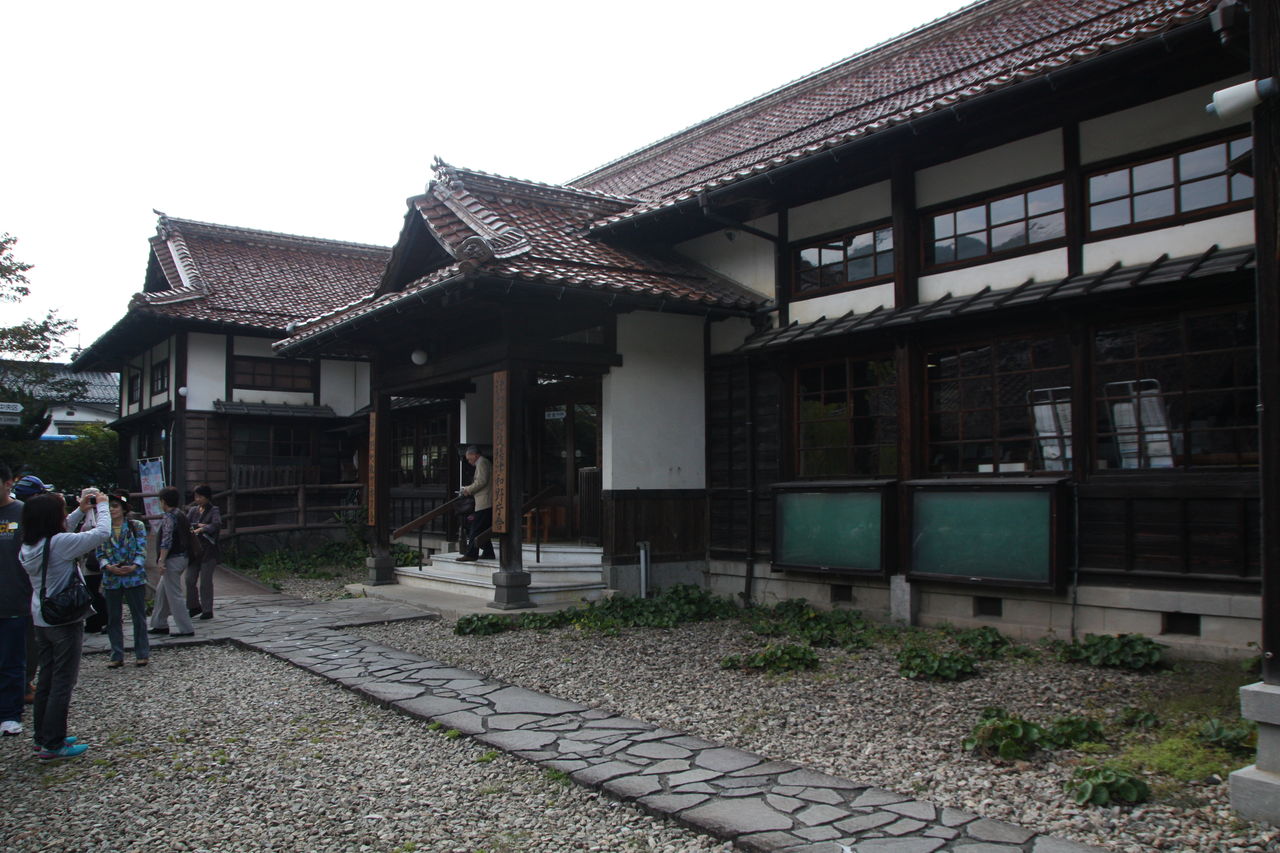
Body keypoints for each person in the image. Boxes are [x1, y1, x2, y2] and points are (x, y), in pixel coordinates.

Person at [20, 487, 110, 759]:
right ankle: (54, 743)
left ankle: (42, 736)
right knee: (63, 681)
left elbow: (56, 535)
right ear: (51, 519)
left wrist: (81, 510)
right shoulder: (59, 544)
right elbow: (101, 534)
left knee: (46, 679)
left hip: (41, 617)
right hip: (64, 619)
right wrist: (102, 506)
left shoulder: (29, 544)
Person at [97, 492, 149, 668]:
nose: (112, 510)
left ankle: (142, 652)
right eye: (109, 506)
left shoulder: (136, 526)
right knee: (113, 618)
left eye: (115, 506)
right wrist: (108, 566)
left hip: (134, 576)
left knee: (138, 616)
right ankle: (116, 653)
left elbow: (142, 549)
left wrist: (135, 565)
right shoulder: (103, 528)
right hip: (112, 577)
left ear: (124, 508)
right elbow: (99, 552)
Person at [0, 465, 30, 737]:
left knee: (12, 661)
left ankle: (10, 714)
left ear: (8, 482)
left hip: (13, 598)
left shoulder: (22, 513)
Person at [148, 487, 194, 638]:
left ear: (163, 501)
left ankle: (186, 628)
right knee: (162, 591)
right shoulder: (180, 514)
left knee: (175, 594)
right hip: (183, 556)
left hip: (173, 558)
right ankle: (159, 623)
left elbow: (166, 540)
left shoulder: (169, 516)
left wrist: (161, 560)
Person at [185, 484, 220, 620]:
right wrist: (198, 525)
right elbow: (186, 524)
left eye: (200, 496)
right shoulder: (193, 510)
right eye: (196, 496)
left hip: (208, 550)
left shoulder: (214, 510)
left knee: (205, 581)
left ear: (207, 497)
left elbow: (216, 525)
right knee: (189, 579)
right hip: (194, 550)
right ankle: (194, 606)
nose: (197, 499)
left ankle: (207, 609)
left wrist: (203, 529)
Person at [456, 446, 495, 562]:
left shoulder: (482, 462)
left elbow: (481, 481)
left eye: (469, 458)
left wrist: (468, 489)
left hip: (485, 501)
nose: (469, 461)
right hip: (484, 501)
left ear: (475, 455)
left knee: (475, 528)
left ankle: (472, 554)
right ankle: (488, 552)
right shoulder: (483, 462)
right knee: (481, 529)